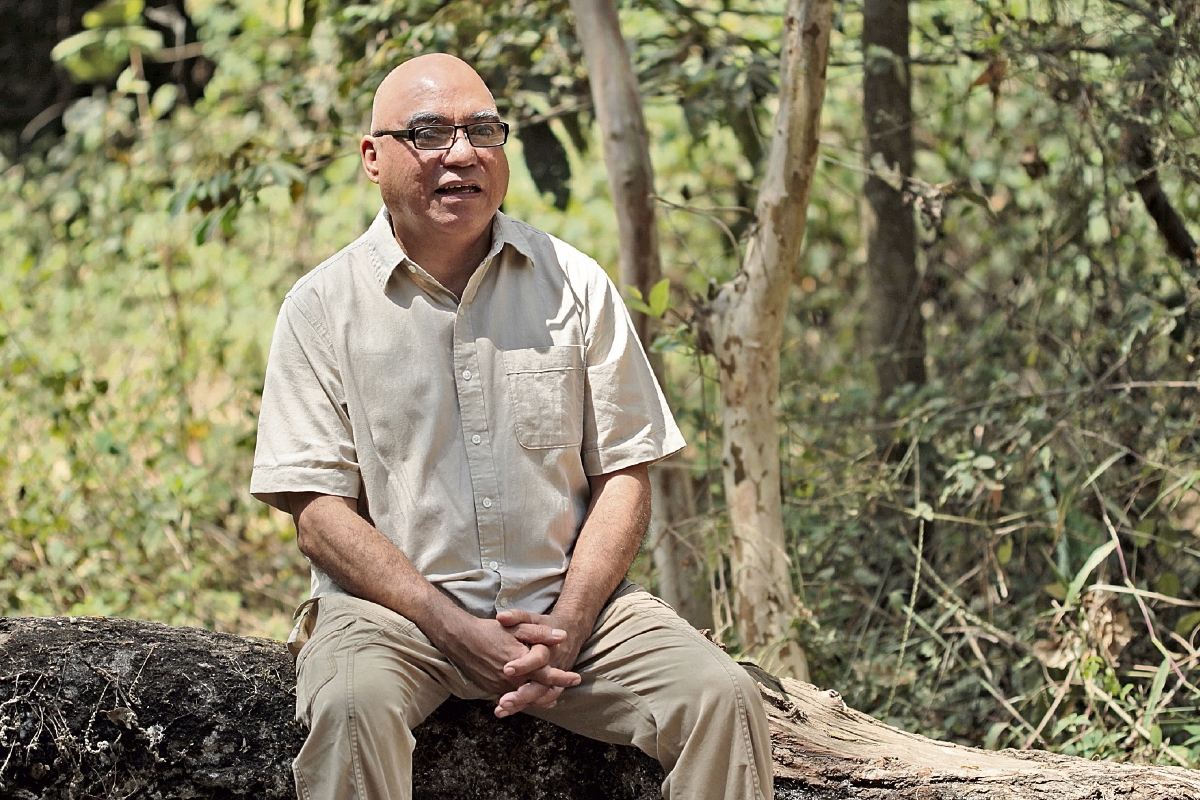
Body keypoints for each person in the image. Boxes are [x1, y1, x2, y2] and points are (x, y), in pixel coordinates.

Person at [250, 53, 773, 800]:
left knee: (721, 698)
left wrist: (569, 621)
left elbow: (624, 474)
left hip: (573, 616)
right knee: (353, 706)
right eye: (428, 133)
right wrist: (450, 627)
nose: (461, 153)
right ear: (373, 157)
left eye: (483, 130)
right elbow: (319, 514)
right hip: (393, 622)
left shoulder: (575, 283)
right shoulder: (320, 308)